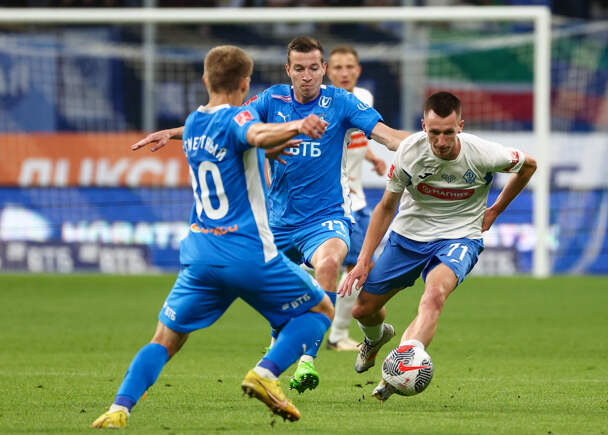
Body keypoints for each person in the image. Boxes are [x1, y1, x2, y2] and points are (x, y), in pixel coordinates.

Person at [133, 36, 409, 394]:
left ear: (323, 69)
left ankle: (307, 359)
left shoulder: (341, 102)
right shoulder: (271, 99)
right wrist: (172, 133)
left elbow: (387, 137)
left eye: (314, 68)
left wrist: (424, 144)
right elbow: (225, 125)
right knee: (276, 291)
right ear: (288, 70)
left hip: (325, 217)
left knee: (329, 264)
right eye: (300, 69)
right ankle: (280, 343)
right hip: (276, 222)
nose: (307, 75)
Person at [90, 45, 335, 429]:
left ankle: (119, 409)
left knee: (164, 339)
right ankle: (266, 373)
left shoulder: (193, 123)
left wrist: (266, 149)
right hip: (247, 253)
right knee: (320, 311)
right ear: (245, 84)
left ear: (205, 80)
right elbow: (253, 132)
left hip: (201, 255)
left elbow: (240, 144)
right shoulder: (239, 117)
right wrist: (296, 126)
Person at [339, 91, 537, 402]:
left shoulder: (483, 153)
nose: (441, 141)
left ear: (460, 126)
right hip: (409, 236)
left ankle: (396, 374)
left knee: (434, 296)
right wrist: (364, 260)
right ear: (423, 126)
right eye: (434, 132)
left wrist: (496, 209)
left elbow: (529, 166)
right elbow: (386, 207)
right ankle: (375, 340)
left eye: (448, 132)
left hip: (460, 237)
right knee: (363, 309)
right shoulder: (409, 151)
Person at [325, 45, 387, 351]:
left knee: (357, 270)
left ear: (358, 70)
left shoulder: (364, 98)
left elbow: (356, 134)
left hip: (357, 200)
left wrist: (372, 157)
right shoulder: (320, 104)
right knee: (343, 269)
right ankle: (332, 334)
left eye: (349, 66)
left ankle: (336, 334)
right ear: (327, 71)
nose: (344, 72)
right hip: (332, 202)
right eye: (338, 67)